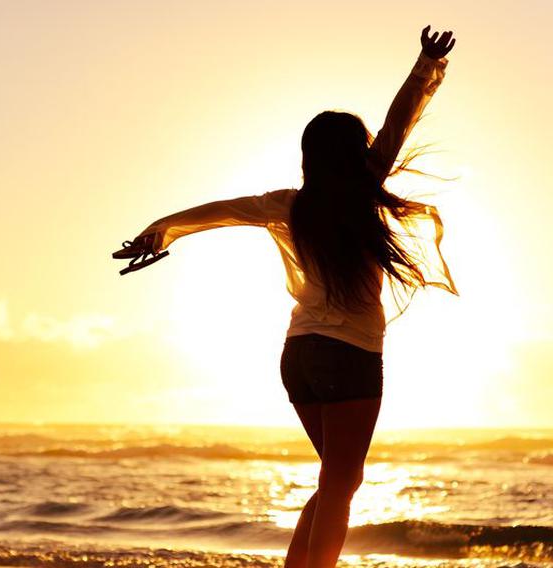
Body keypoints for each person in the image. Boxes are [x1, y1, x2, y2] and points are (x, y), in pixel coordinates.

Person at [116, 26, 458, 568]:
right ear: (357, 151)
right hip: (350, 355)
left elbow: (215, 211)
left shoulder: (286, 205)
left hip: (298, 356)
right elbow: (400, 123)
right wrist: (426, 67)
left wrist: (158, 232)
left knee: (334, 484)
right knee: (341, 486)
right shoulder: (365, 185)